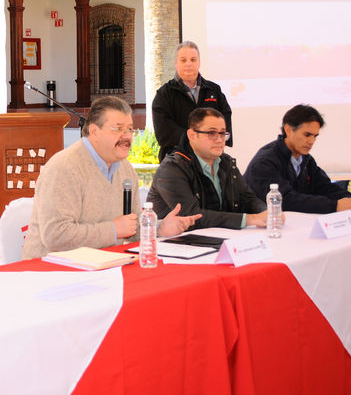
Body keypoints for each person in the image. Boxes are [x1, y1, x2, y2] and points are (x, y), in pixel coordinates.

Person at [22, 96, 202, 260]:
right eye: (118, 129)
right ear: (94, 131)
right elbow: (56, 236)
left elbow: (130, 227)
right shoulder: (64, 167)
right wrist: (113, 230)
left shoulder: (125, 169)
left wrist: (159, 228)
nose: (127, 136)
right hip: (50, 272)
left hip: (104, 264)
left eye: (130, 129)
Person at [147, 108, 267, 229]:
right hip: (176, 239)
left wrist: (267, 212)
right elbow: (192, 215)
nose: (219, 140)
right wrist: (249, 219)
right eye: (211, 133)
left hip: (217, 235)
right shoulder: (172, 167)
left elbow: (247, 198)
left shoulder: (226, 162)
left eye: (222, 133)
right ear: (192, 135)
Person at [244, 104, 351, 215]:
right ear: (288, 130)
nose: (311, 141)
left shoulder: (306, 159)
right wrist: (335, 206)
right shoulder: (265, 161)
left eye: (315, 136)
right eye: (307, 135)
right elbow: (286, 200)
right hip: (261, 226)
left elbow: (325, 187)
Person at [152, 41, 233, 161]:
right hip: (177, 160)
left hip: (211, 159)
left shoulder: (214, 90)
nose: (188, 64)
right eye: (183, 60)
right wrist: (198, 139)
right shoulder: (164, 94)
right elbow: (164, 134)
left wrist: (211, 139)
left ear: (199, 62)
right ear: (176, 63)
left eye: (193, 60)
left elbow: (225, 121)